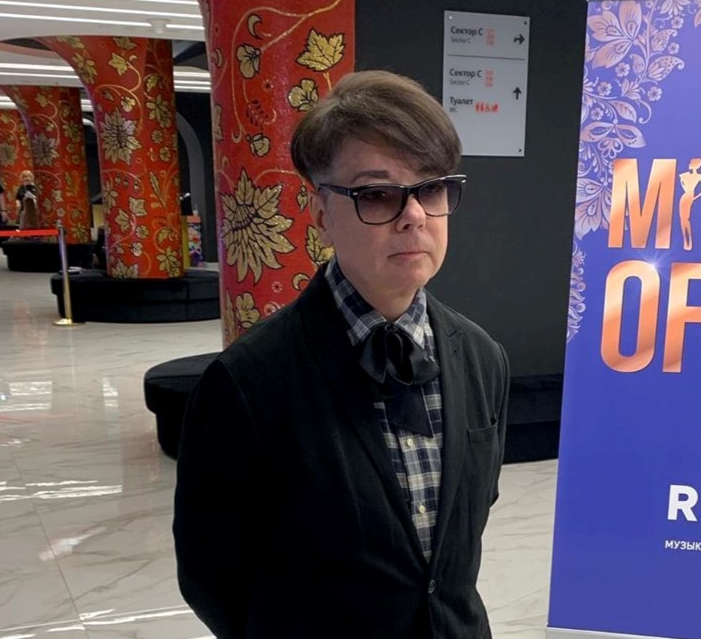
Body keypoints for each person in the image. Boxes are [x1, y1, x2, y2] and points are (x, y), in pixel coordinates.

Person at [173, 71, 510, 639]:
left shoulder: (481, 357)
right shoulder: (249, 381)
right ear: (322, 212)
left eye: (431, 189)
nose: (414, 215)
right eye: (377, 194)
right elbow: (212, 572)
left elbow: (463, 530)